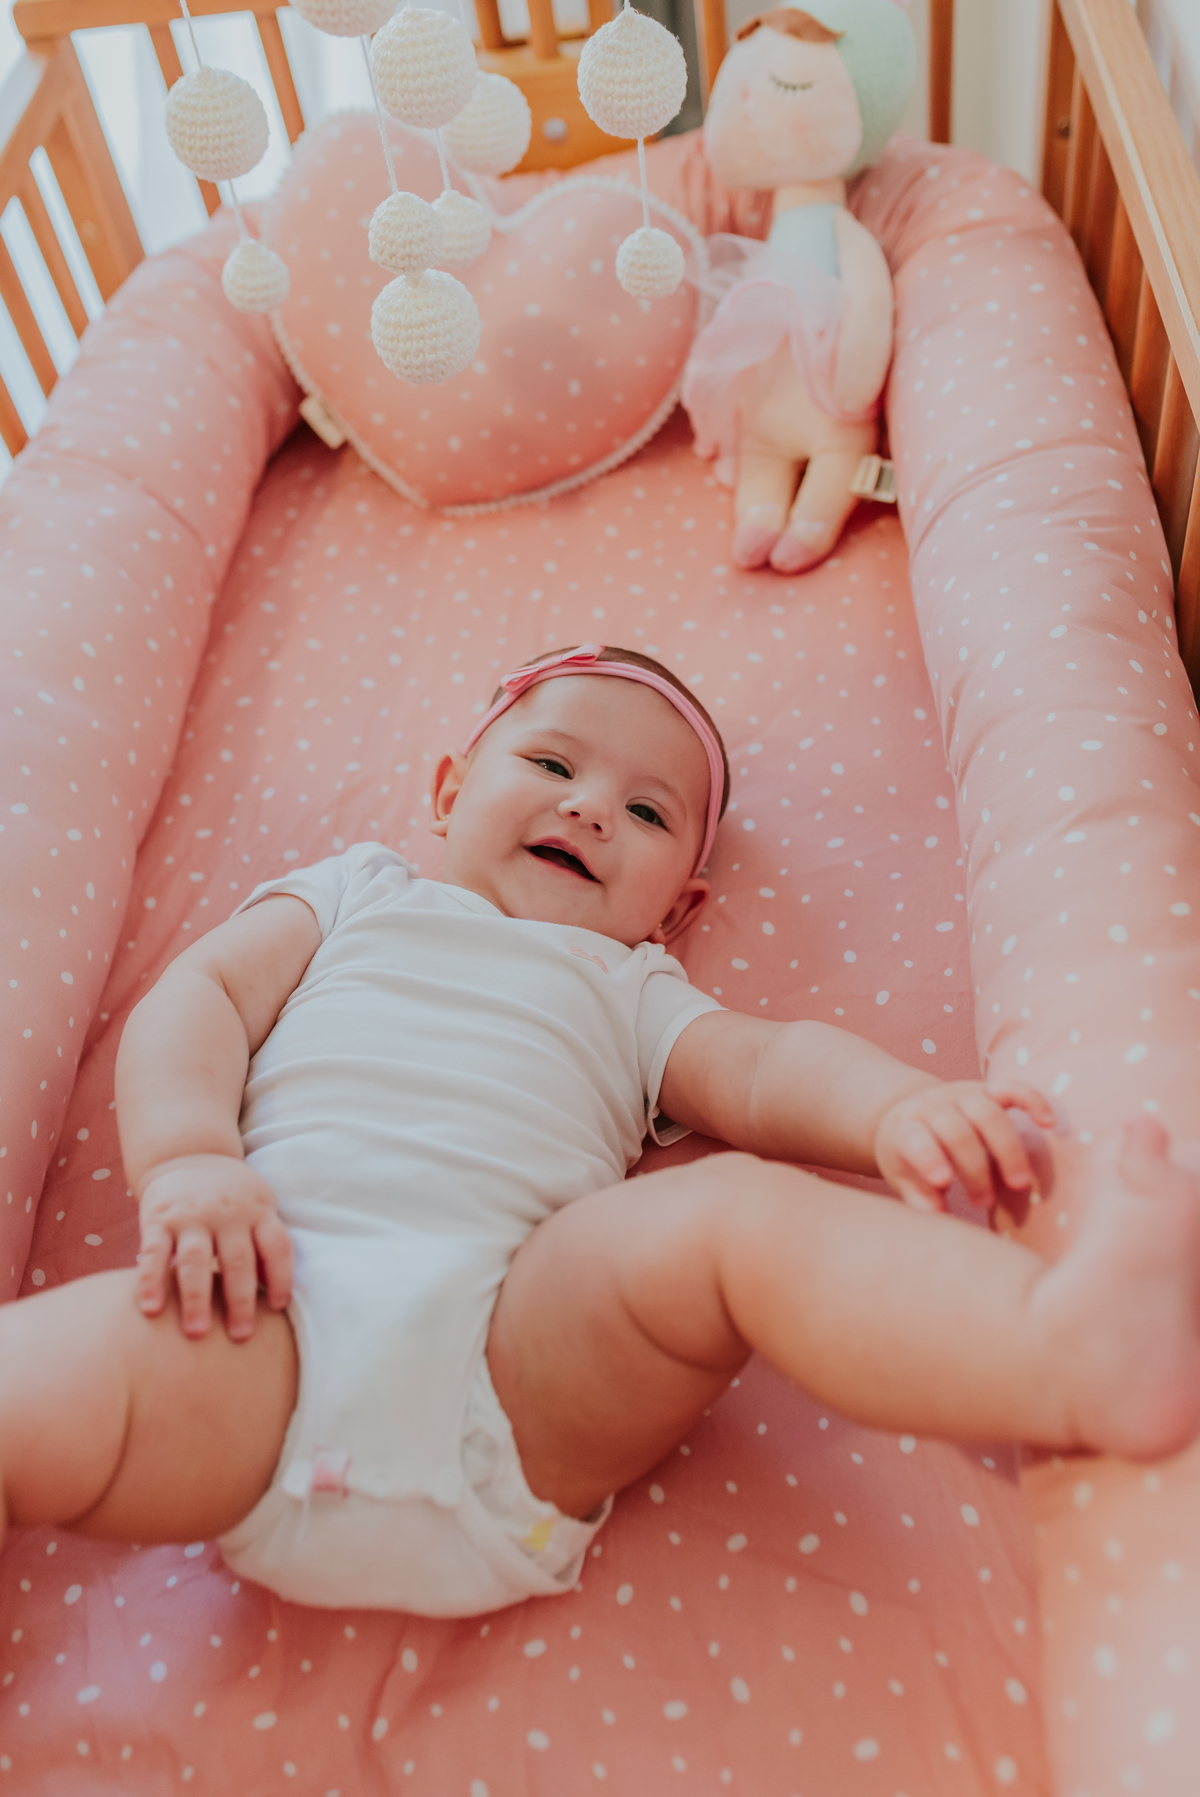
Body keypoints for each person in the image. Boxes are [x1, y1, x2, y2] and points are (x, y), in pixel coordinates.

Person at [2, 644, 1197, 1616]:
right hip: (256, 1337)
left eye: (644, 810)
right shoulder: (356, 893)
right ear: (449, 789)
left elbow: (770, 1067)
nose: (590, 807)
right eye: (549, 761)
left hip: (517, 1373)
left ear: (677, 909)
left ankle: (1065, 1351)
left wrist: (897, 1109)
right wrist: (191, 1160)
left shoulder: (630, 985)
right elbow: (197, 1001)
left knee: (730, 1215)